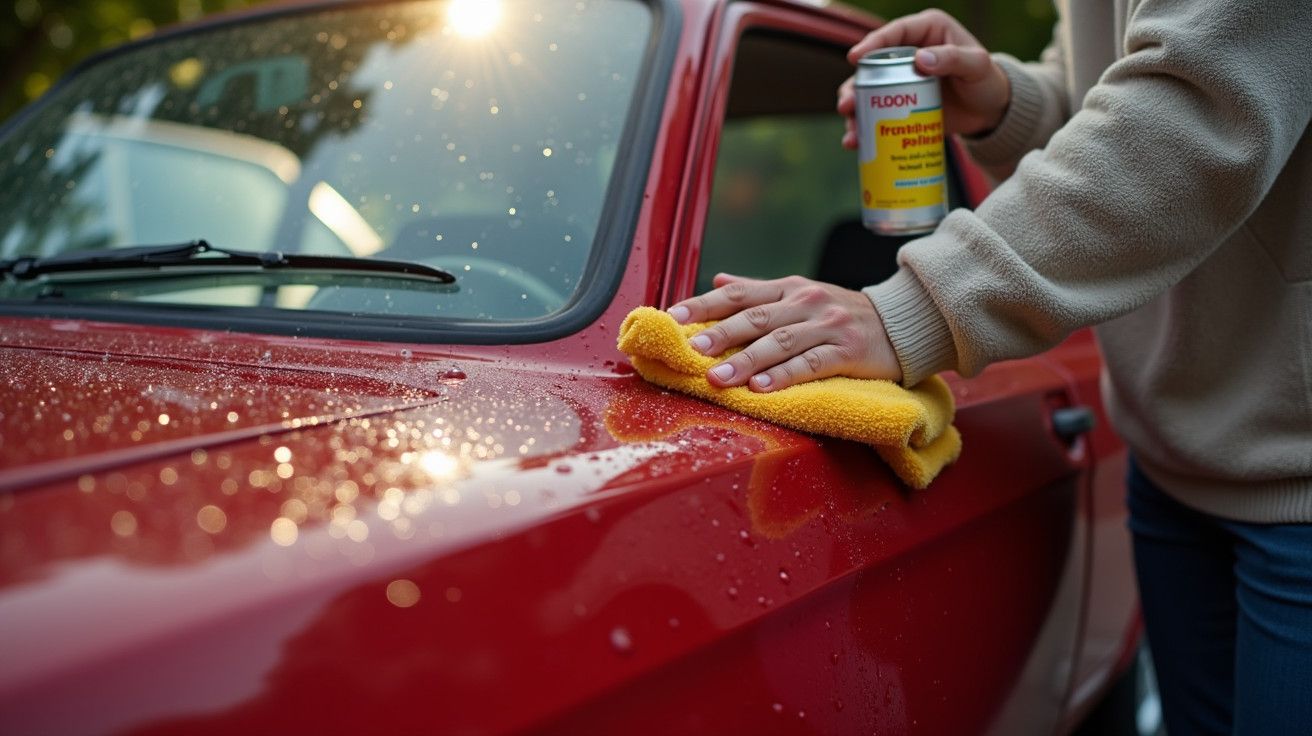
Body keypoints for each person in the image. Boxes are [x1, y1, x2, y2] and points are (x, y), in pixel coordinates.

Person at [666, 2, 1312, 734]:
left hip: (1298, 482)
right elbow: (1111, 84)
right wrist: (1009, 104)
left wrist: (913, 310)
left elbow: (1193, 117)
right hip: (1168, 456)